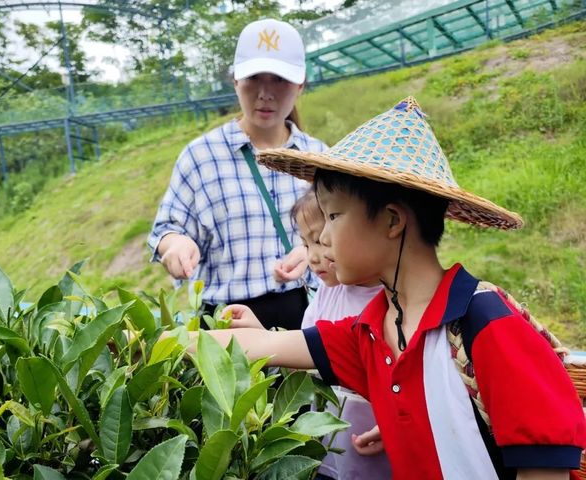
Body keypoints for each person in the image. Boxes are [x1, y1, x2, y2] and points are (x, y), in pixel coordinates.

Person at [188, 97, 586, 479]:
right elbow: (262, 346)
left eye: (334, 215)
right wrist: (165, 345)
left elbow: (543, 466)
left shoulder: (485, 324)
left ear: (393, 221)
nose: (323, 237)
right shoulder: (371, 330)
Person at [148, 18, 327, 330]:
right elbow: (168, 226)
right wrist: (174, 245)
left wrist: (311, 251)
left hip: (308, 318)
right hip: (227, 324)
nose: (265, 93)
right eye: (254, 78)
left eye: (280, 80)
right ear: (235, 81)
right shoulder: (201, 156)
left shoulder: (320, 158)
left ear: (300, 85)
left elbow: (341, 236)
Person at [228, 188, 390, 479]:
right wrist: (262, 335)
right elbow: (302, 365)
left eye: (319, 240)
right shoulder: (327, 295)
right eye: (305, 244)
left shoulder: (392, 302)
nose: (313, 257)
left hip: (382, 450)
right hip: (330, 451)